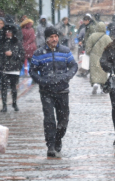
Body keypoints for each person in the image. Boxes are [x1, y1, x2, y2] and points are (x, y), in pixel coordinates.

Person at [30, 26, 78, 157]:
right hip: (46, 91)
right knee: (49, 119)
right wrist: (41, 80)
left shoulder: (65, 51)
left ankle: (58, 139)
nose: (54, 39)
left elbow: (74, 65)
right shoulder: (39, 53)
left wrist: (67, 76)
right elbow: (32, 70)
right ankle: (50, 145)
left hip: (62, 90)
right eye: (51, 37)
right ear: (46, 39)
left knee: (63, 120)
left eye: (56, 36)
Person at [0, 24, 25, 112]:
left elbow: (22, 55)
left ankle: (14, 103)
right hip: (3, 68)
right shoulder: (1, 42)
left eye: (9, 31)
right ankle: (4, 106)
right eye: (6, 31)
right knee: (3, 87)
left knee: (13, 87)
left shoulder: (17, 42)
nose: (8, 33)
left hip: (14, 69)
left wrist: (13, 56)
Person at [85, 22, 112, 94]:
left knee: (94, 71)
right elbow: (111, 48)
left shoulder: (92, 36)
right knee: (103, 71)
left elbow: (88, 46)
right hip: (103, 57)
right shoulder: (107, 37)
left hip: (94, 56)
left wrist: (89, 52)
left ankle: (95, 83)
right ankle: (102, 86)